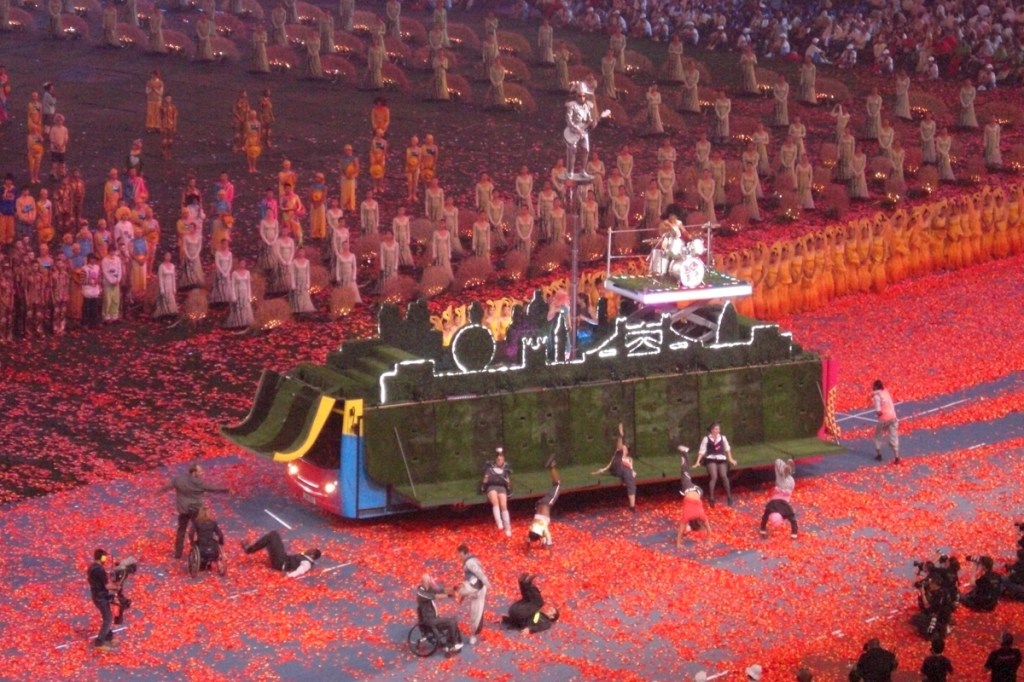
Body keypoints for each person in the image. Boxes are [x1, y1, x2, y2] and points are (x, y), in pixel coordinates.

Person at [156, 462, 229, 559]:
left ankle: (178, 554)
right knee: (199, 530)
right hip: (196, 510)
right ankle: (201, 549)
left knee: (181, 531)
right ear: (194, 472)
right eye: (200, 471)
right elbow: (213, 488)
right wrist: (226, 489)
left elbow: (167, 486)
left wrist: (157, 492)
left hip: (183, 510)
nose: (202, 472)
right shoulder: (199, 483)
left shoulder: (178, 479)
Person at [591, 422, 637, 511]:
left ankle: (632, 506)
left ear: (627, 451)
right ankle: (632, 505)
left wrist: (630, 474)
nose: (623, 447)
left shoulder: (629, 459)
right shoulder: (618, 454)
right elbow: (618, 449)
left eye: (625, 447)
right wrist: (620, 436)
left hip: (624, 472)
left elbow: (631, 469)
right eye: (623, 446)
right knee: (625, 468)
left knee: (630, 477)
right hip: (616, 468)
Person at [415, 574, 463, 654]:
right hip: (429, 619)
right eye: (427, 581)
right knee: (451, 622)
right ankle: (451, 645)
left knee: (452, 622)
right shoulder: (421, 593)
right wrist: (450, 595)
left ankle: (454, 642)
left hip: (434, 617)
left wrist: (453, 588)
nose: (429, 582)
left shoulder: (428, 588)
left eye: (429, 580)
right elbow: (435, 596)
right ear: (422, 582)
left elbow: (440, 591)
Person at [240, 530, 321, 577]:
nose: (308, 549)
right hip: (283, 559)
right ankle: (251, 549)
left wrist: (288, 575)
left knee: (273, 535)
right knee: (273, 537)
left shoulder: (307, 563)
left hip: (280, 563)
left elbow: (300, 571)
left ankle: (249, 550)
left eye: (311, 550)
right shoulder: (305, 556)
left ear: (312, 555)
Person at [696, 422, 737, 506]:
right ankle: (711, 498)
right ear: (712, 430)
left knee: (723, 476)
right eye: (716, 429)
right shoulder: (706, 438)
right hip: (711, 459)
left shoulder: (722, 438)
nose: (718, 431)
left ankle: (729, 497)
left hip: (721, 458)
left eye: (718, 429)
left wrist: (730, 459)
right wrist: (697, 461)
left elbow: (727, 449)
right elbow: (702, 451)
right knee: (714, 477)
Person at [455, 544, 488, 644]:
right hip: (474, 588)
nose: (458, 557)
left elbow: (479, 573)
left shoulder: (470, 562)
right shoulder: (468, 562)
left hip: (479, 589)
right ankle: (473, 634)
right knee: (474, 614)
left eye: (459, 554)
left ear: (462, 553)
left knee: (476, 615)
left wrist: (487, 583)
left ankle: (473, 635)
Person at [527, 455, 560, 549]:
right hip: (539, 505)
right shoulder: (531, 528)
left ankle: (551, 466)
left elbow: (548, 540)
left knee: (557, 484)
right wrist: (529, 544)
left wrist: (548, 545)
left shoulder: (543, 528)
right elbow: (529, 539)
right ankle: (551, 467)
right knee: (555, 485)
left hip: (546, 504)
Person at [564, 82, 596, 179]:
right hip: (574, 131)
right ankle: (570, 171)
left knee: (586, 150)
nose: (582, 98)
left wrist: (592, 123)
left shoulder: (587, 106)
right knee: (573, 150)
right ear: (576, 96)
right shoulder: (572, 106)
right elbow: (569, 120)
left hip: (584, 132)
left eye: (583, 96)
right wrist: (576, 129)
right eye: (580, 96)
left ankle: (583, 170)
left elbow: (589, 119)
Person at [87, 548, 116, 649]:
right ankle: (99, 642)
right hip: (101, 597)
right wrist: (117, 586)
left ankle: (108, 636)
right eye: (105, 558)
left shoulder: (92, 567)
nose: (106, 560)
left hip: (96, 595)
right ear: (102, 558)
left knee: (107, 617)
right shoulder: (100, 570)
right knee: (108, 619)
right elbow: (107, 586)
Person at [481, 447, 512, 537]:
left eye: (501, 459)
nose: (500, 461)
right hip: (492, 487)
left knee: (504, 505)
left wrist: (508, 484)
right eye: (498, 459)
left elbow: (508, 483)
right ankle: (499, 522)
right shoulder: (490, 468)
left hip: (501, 487)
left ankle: (508, 528)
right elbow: (485, 480)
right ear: (496, 460)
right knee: (495, 501)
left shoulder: (505, 469)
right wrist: (484, 483)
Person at [871, 380, 900, 464]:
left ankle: (879, 455)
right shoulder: (886, 392)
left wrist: (878, 414)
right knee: (894, 436)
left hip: (884, 419)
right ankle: (897, 457)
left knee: (878, 436)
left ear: (875, 387)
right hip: (893, 417)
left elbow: (878, 411)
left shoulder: (877, 397)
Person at [188, 505, 225, 570]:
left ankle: (202, 564)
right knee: (213, 545)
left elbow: (191, 533)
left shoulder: (197, 523)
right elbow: (220, 535)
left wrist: (192, 542)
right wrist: (221, 542)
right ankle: (208, 564)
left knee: (197, 545)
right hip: (212, 544)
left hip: (201, 544)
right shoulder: (213, 523)